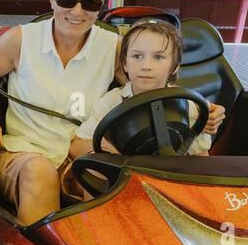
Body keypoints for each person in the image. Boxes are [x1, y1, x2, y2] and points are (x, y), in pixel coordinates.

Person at [0, 0, 119, 225]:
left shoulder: (114, 48)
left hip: (79, 155)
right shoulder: (21, 40)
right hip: (25, 153)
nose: (77, 12)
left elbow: (151, 85)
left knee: (106, 175)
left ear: (101, 5)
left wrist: (200, 112)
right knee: (39, 171)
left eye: (90, 3)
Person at [76, 18, 226, 154]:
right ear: (125, 64)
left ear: (175, 67)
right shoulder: (110, 103)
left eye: (158, 57)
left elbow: (200, 154)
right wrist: (112, 153)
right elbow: (77, 145)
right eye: (137, 56)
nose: (146, 66)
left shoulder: (190, 105)